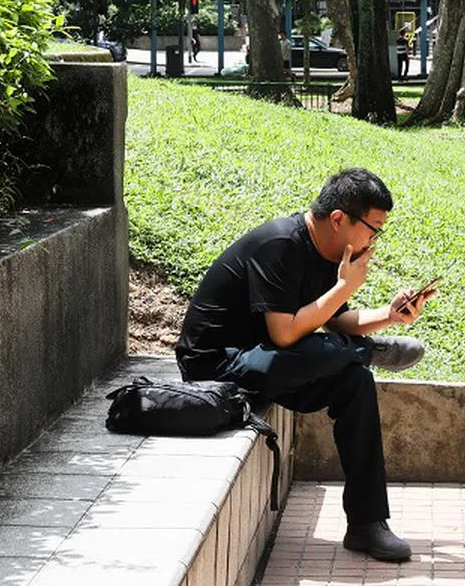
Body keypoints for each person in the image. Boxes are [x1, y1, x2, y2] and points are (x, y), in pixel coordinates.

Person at [175, 168, 432, 562]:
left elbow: (333, 319)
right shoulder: (280, 245)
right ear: (339, 219)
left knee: (355, 381)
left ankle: (367, 524)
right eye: (373, 228)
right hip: (216, 364)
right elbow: (284, 333)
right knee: (333, 354)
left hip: (273, 360)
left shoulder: (331, 252)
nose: (374, 239)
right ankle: (364, 350)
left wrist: (390, 315)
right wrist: (345, 286)